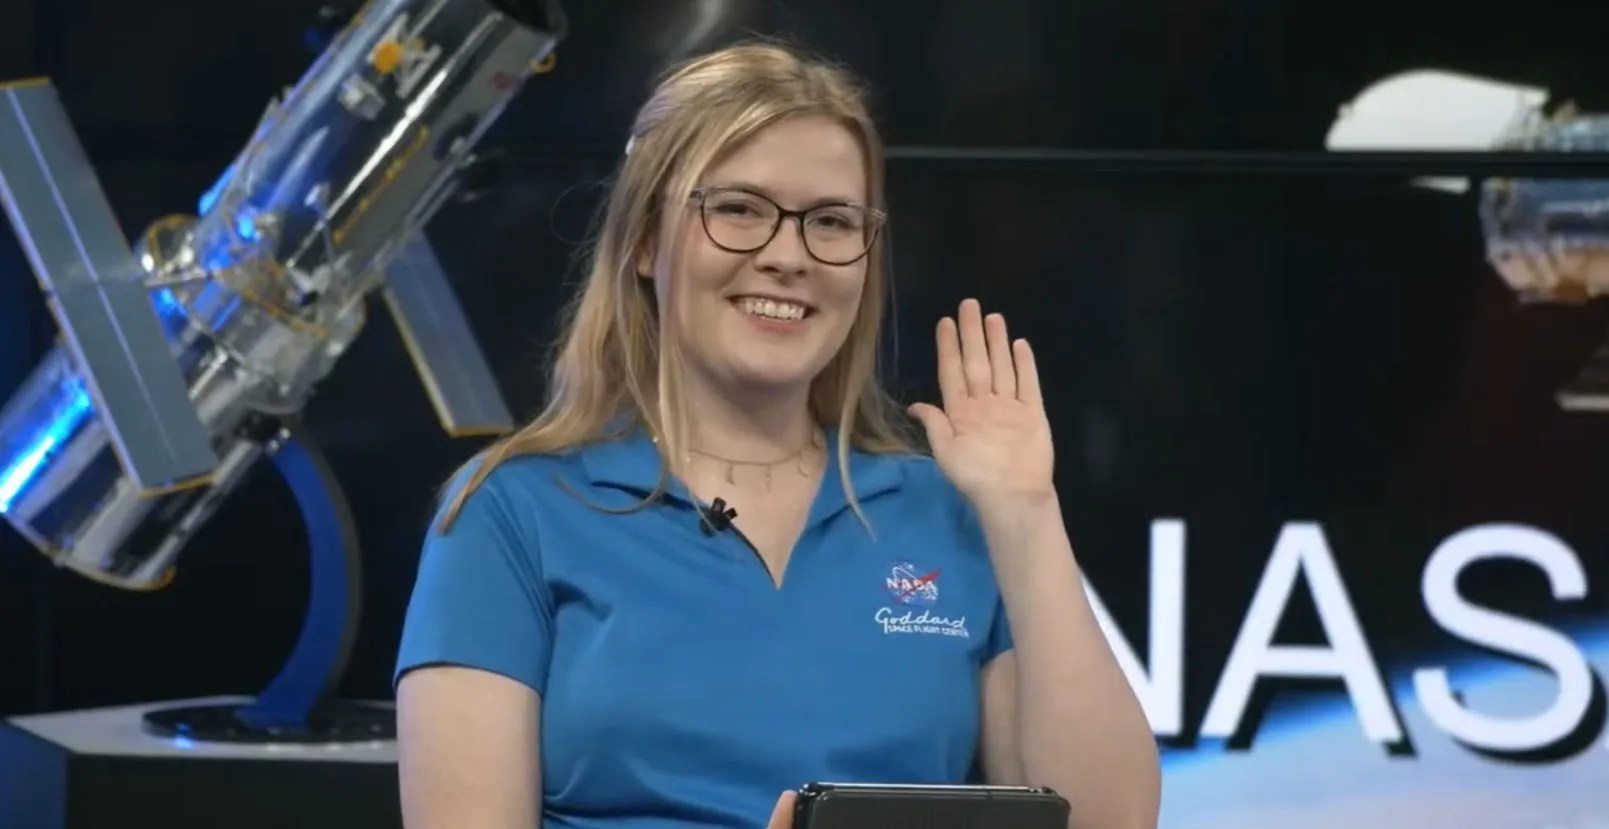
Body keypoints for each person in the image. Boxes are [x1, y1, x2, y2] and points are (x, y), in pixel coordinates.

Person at [393, 38, 1161, 829]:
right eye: (737, 210)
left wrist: (1027, 514)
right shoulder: (510, 513)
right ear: (646, 241)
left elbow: (1110, 821)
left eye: (831, 222)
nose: (788, 256)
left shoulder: (950, 513)